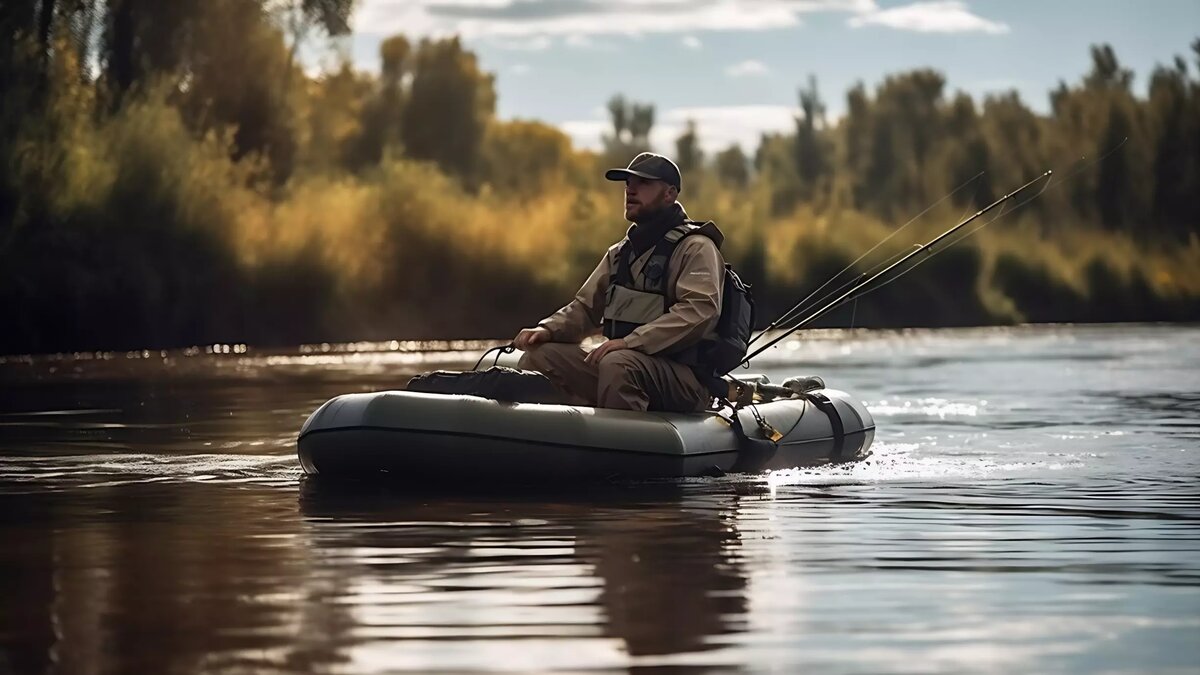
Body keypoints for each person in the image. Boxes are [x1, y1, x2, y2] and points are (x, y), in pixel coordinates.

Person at [513, 152, 725, 412]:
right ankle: (548, 442)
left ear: (669, 194)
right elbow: (585, 308)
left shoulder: (696, 248)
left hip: (685, 382)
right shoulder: (620, 253)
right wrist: (548, 330)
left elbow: (699, 311)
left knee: (618, 363)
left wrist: (631, 342)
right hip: (623, 365)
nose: (631, 190)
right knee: (540, 357)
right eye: (628, 183)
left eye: (643, 183)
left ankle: (623, 447)